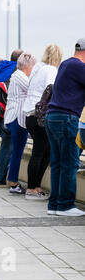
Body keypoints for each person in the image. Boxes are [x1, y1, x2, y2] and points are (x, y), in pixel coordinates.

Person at [45, 39, 85, 216]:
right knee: (69, 163)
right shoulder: (78, 67)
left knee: (57, 163)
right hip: (66, 118)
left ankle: (54, 204)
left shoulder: (65, 64)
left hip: (53, 116)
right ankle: (65, 205)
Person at [22, 44, 63, 199]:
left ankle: (36, 187)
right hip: (41, 116)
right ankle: (32, 189)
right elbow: (53, 90)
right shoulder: (51, 70)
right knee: (40, 153)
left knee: (44, 152)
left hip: (30, 115)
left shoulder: (38, 69)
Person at [4, 53, 37, 195]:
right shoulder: (21, 76)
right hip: (18, 118)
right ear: (28, 66)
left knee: (15, 151)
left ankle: (11, 179)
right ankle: (14, 183)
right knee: (18, 152)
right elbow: (33, 90)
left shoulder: (15, 75)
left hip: (12, 117)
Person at [0, 49, 24, 188]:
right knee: (8, 147)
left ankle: (2, 178)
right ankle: (1, 179)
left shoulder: (2, 69)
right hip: (4, 114)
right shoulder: (15, 72)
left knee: (6, 145)